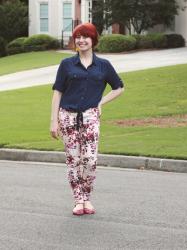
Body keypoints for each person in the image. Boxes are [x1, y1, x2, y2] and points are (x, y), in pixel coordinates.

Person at [50, 23, 124, 216]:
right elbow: (57, 92)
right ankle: (78, 200)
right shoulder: (66, 64)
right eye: (78, 37)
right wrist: (54, 121)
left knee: (89, 160)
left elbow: (119, 87)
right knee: (73, 160)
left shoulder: (103, 65)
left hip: (91, 117)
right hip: (67, 117)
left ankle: (87, 197)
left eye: (86, 37)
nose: (81, 40)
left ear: (93, 40)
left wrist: (101, 102)